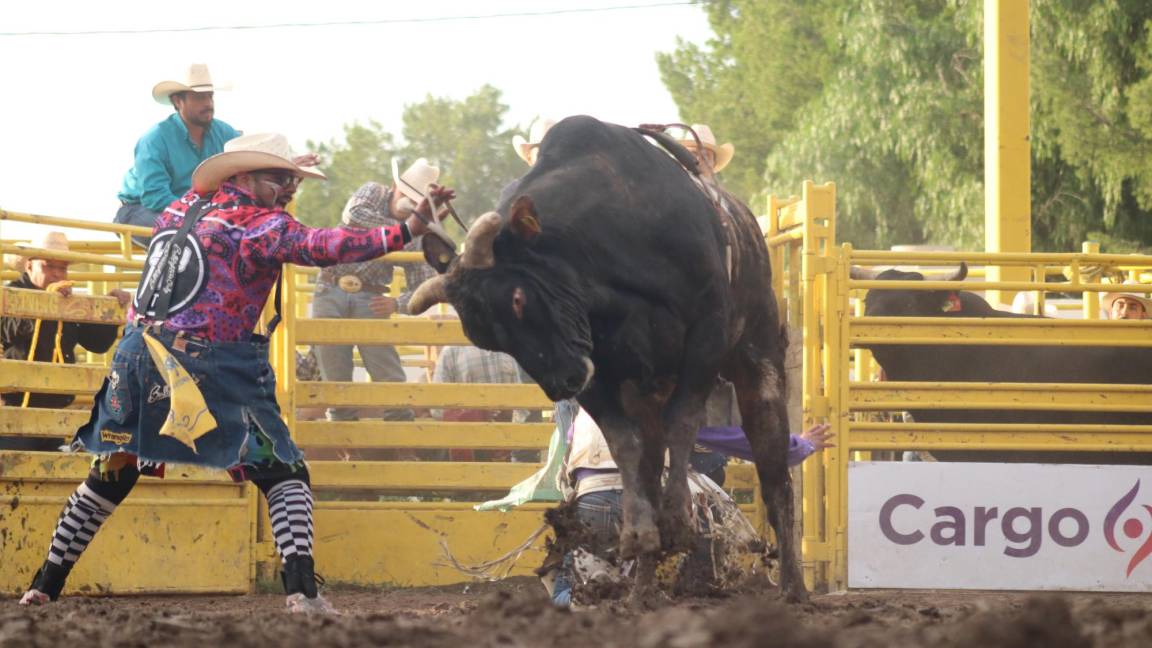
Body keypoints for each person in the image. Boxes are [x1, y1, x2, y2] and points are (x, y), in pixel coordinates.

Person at [17, 132, 454, 613]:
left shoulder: (183, 207)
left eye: (292, 181)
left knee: (111, 472)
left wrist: (281, 176)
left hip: (137, 357)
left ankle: (43, 586)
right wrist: (407, 229)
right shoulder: (259, 225)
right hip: (209, 363)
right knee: (284, 472)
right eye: (278, 179)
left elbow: (261, 222)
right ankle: (303, 592)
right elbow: (321, 244)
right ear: (242, 176)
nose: (287, 190)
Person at [547, 411, 833, 607]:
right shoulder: (665, 402)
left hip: (593, 498)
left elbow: (568, 453)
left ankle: (585, 596)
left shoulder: (587, 408)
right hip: (650, 502)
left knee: (568, 588)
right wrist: (800, 445)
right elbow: (737, 440)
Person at [312, 158, 441, 422]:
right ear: (395, 186)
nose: (408, 205)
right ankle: (344, 445)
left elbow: (423, 288)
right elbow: (354, 214)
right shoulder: (374, 191)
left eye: (415, 202)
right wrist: (405, 231)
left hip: (370, 297)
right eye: (406, 196)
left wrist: (395, 304)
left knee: (387, 373)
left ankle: (401, 439)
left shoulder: (417, 232)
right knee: (335, 374)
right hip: (330, 285)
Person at [1, 231, 132, 409]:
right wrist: (47, 304)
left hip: (56, 402)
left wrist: (108, 309)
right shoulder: (10, 295)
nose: (57, 274)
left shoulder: (68, 302)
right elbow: (7, 329)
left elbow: (97, 344)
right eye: (49, 266)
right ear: (29, 265)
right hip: (17, 402)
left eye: (62, 268)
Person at [432, 342, 532, 461]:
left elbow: (523, 404)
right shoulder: (452, 351)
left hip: (508, 447)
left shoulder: (510, 345)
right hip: (471, 448)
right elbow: (437, 409)